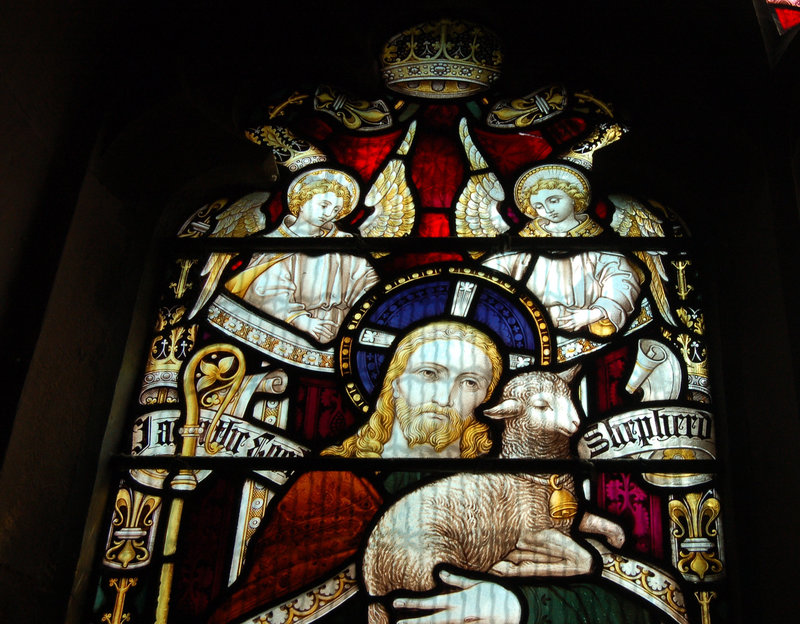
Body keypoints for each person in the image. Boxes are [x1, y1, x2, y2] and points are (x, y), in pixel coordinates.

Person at [209, 322, 654, 624]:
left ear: (490, 405)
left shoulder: (515, 485)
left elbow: (645, 609)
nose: (446, 394)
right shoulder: (330, 488)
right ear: (394, 382)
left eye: (470, 382)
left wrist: (518, 607)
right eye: (429, 372)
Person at [484, 164, 642, 337]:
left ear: (574, 197)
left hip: (583, 327)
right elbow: (493, 273)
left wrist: (596, 312)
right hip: (529, 326)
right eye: (538, 205)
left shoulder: (598, 240)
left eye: (553, 200)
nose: (547, 210)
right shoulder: (523, 240)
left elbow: (621, 279)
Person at [224, 168, 379, 343]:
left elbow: (368, 284)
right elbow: (265, 291)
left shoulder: (344, 243)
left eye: (336, 209)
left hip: (342, 329)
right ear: (303, 200)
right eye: (324, 205)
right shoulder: (273, 243)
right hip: (289, 330)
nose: (329, 214)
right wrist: (302, 321)